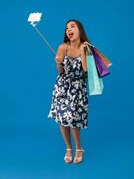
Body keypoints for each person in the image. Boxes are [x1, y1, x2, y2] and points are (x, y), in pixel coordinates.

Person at [48, 20, 90, 164]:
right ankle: (68, 148)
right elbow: (60, 71)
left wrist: (84, 50)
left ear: (80, 30)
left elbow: (86, 70)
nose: (68, 29)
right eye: (66, 28)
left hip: (78, 88)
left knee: (74, 119)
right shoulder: (62, 47)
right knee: (63, 119)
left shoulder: (86, 47)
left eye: (72, 26)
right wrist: (58, 62)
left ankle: (79, 148)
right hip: (63, 87)